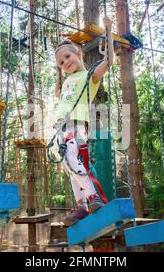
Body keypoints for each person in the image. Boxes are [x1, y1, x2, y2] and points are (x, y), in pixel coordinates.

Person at [53, 17, 115, 226]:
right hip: (61, 127)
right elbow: (60, 100)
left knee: (72, 157)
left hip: (78, 124)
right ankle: (81, 205)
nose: (65, 63)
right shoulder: (67, 81)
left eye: (67, 56)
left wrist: (108, 30)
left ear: (78, 53)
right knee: (70, 166)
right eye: (61, 63)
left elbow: (108, 62)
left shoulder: (89, 76)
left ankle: (92, 197)